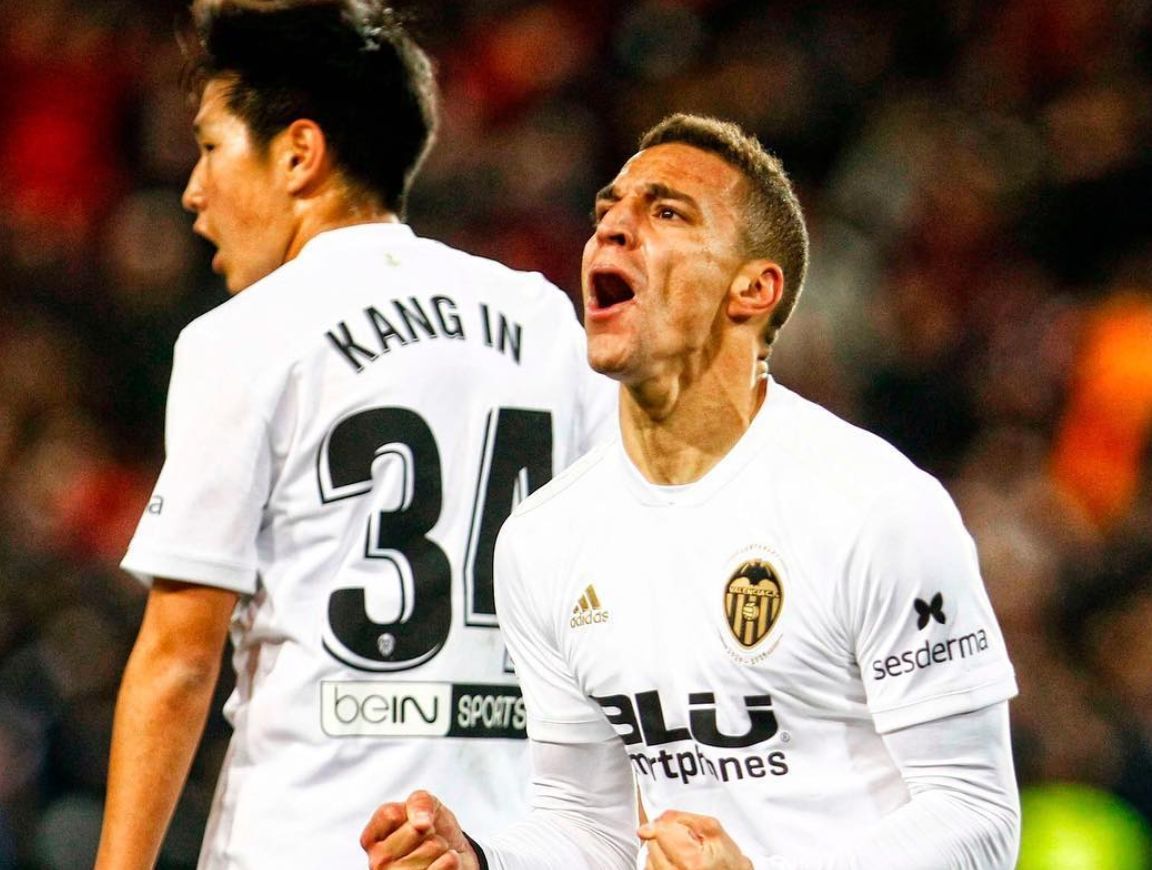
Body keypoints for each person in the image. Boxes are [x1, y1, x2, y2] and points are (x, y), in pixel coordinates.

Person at [361, 114, 1021, 869]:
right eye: (606, 211)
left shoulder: (875, 508)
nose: (611, 230)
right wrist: (481, 862)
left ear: (754, 289)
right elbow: (586, 823)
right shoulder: (543, 541)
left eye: (666, 212)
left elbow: (976, 813)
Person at [95, 2, 614, 868]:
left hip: (303, 841)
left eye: (212, 147)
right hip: (494, 845)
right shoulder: (546, 324)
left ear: (299, 152)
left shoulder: (244, 336)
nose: (193, 190)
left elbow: (180, 660)